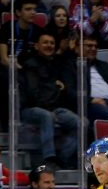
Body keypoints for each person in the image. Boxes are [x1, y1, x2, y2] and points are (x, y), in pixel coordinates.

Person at [18, 31, 79, 169]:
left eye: (52, 43)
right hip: (30, 109)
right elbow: (32, 94)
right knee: (46, 116)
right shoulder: (30, 65)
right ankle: (49, 159)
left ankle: (63, 158)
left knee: (81, 123)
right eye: (45, 42)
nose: (49, 45)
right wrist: (49, 108)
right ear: (37, 46)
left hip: (54, 108)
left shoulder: (55, 65)